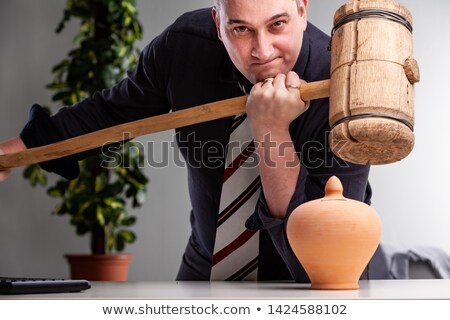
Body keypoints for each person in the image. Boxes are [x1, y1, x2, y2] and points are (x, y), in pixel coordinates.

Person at [0, 0, 386, 281]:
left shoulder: (343, 83)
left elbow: (321, 263)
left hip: (315, 282)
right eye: (241, 29)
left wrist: (271, 131)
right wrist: (15, 152)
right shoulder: (184, 47)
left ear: (302, 10)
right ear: (218, 22)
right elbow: (111, 113)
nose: (263, 51)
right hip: (207, 268)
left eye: (278, 24)